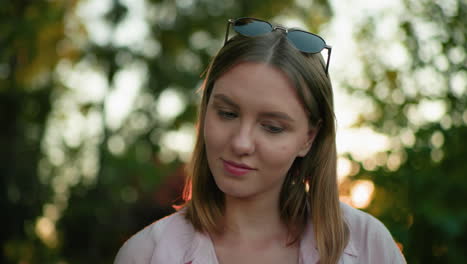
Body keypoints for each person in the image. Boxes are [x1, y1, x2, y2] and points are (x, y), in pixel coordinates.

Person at [114, 17, 406, 264]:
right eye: (227, 113)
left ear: (309, 137)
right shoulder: (145, 254)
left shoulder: (369, 246)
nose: (241, 143)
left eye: (272, 127)